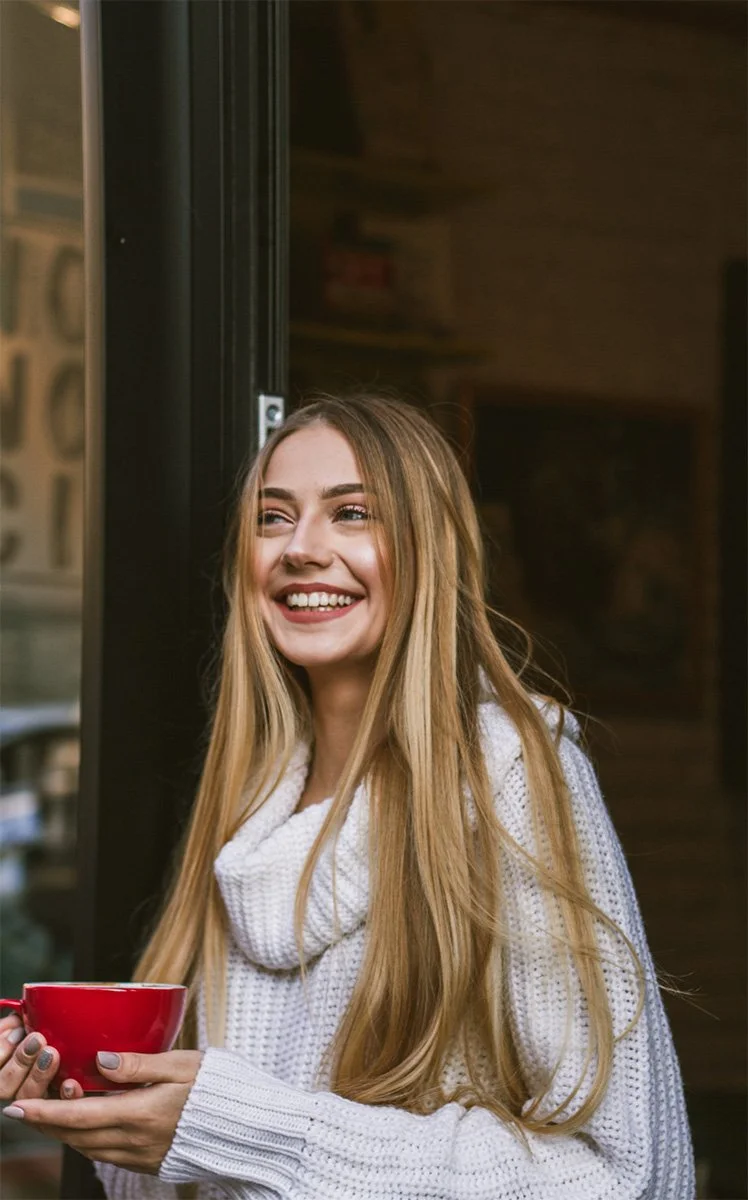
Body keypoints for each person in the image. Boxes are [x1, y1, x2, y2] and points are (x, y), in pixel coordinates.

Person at [0, 394, 694, 1198]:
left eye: (351, 514)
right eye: (273, 518)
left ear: (427, 549)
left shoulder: (507, 771)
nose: (301, 548)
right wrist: (103, 1111)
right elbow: (204, 1177)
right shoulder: (250, 806)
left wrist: (255, 1134)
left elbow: (626, 1175)